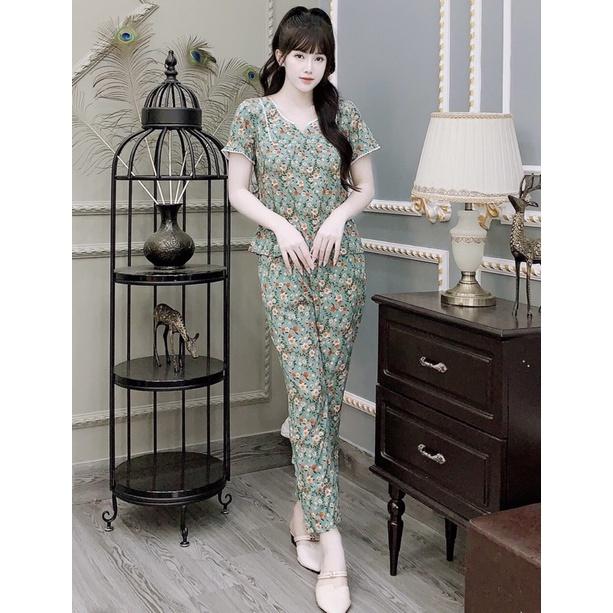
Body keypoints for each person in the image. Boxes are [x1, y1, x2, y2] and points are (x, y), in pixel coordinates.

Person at [222, 7, 380, 612]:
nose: (310, 66)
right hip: (285, 267)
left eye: (320, 56)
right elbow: (238, 190)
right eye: (300, 54)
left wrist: (338, 217)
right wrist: (282, 225)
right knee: (310, 393)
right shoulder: (253, 115)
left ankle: (303, 513)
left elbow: (365, 187)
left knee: (326, 397)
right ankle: (332, 545)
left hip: (341, 267)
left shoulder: (344, 114)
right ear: (280, 55)